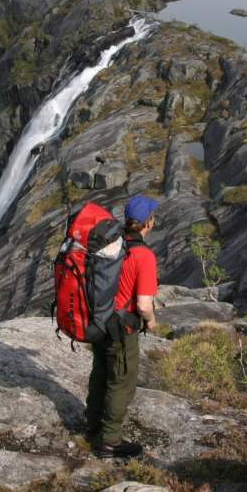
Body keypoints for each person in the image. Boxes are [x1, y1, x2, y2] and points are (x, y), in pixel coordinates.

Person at [86, 195, 160, 459]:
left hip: (99, 323)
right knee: (121, 383)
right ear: (147, 223)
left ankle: (91, 425)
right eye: (153, 218)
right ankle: (109, 441)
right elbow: (142, 305)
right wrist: (151, 321)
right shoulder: (144, 256)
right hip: (122, 330)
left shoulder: (109, 246)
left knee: (100, 375)